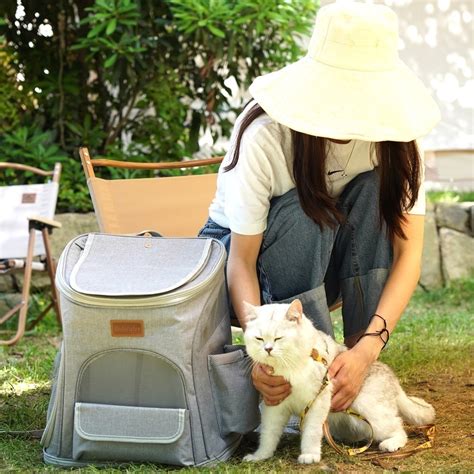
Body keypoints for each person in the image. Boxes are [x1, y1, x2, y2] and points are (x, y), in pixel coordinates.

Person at [198, 1, 441, 413]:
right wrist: (263, 356)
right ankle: (309, 382)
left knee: (374, 190)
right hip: (247, 270)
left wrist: (367, 350)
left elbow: (408, 255)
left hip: (326, 259)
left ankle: (353, 378)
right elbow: (239, 261)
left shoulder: (399, 142)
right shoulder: (266, 134)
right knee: (306, 211)